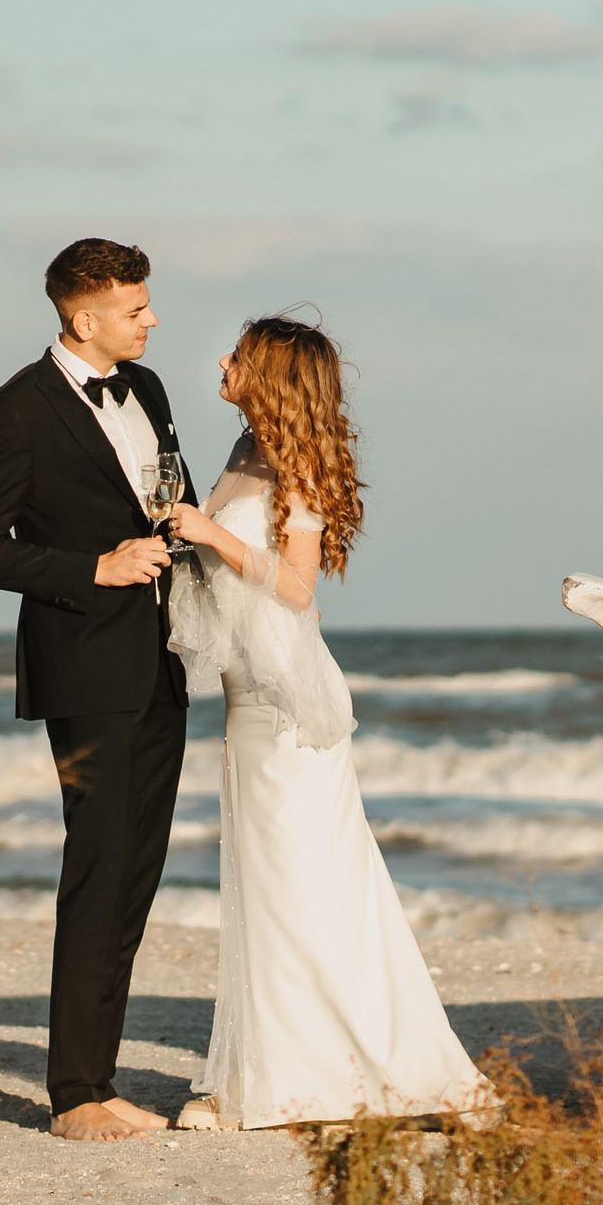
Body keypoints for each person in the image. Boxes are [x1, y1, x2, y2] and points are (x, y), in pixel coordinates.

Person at [161, 314, 490, 1130]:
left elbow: (298, 589)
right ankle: (271, 1077)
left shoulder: (297, 464)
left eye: (240, 353)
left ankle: (383, 1074)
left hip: (285, 703)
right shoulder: (244, 452)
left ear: (269, 373)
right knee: (264, 888)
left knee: (313, 882)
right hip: (245, 698)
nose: (225, 360)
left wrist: (205, 532)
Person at [0, 239, 192, 1142]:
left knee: (137, 871)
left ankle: (103, 1077)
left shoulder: (152, 391)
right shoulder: (14, 411)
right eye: (136, 309)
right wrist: (94, 566)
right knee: (97, 868)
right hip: (85, 666)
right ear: (83, 317)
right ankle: (75, 1095)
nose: (152, 320)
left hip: (164, 659)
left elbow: (169, 502)